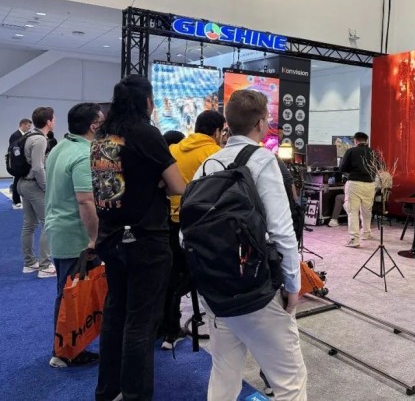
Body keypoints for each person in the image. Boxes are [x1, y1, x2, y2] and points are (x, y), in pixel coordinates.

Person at [193, 89, 306, 400]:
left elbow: (188, 231)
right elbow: (282, 231)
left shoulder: (208, 163)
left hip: (215, 289)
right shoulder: (263, 160)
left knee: (224, 373)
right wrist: (293, 285)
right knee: (290, 380)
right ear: (260, 123)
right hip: (257, 288)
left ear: (227, 123)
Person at [91, 75, 185, 401]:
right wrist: (156, 182)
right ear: (147, 101)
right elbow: (178, 185)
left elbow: (109, 186)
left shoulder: (103, 135)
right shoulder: (146, 133)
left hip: (111, 235)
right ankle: (135, 395)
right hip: (145, 238)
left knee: (115, 313)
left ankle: (108, 391)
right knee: (141, 322)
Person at [160, 110, 225, 350]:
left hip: (169, 220)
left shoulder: (174, 149)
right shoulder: (215, 154)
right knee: (203, 276)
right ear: (216, 131)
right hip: (200, 225)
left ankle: (168, 328)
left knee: (170, 276)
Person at [45, 103, 103, 368]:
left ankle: (68, 347)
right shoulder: (83, 154)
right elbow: (85, 201)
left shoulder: (60, 147)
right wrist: (95, 238)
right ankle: (65, 351)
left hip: (59, 228)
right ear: (94, 126)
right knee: (71, 294)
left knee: (67, 292)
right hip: (75, 234)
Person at [19, 107, 56, 277]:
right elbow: (38, 167)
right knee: (48, 223)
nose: (54, 121)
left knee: (29, 224)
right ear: (48, 122)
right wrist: (46, 187)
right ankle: (45, 266)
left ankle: (29, 263)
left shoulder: (28, 135)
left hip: (23, 183)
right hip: (34, 185)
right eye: (53, 119)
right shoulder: (40, 139)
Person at [338, 131, 375, 247]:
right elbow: (378, 168)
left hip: (354, 183)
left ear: (355, 141)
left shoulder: (351, 151)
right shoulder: (373, 152)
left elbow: (342, 168)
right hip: (370, 184)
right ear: (366, 141)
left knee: (352, 211)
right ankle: (367, 233)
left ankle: (354, 239)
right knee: (367, 210)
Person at [9, 118, 32, 208]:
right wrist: (19, 163)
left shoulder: (25, 135)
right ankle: (16, 200)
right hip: (17, 163)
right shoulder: (15, 135)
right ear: (22, 124)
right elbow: (15, 151)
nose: (29, 128)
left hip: (23, 162)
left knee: (22, 181)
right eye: (28, 126)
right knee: (17, 181)